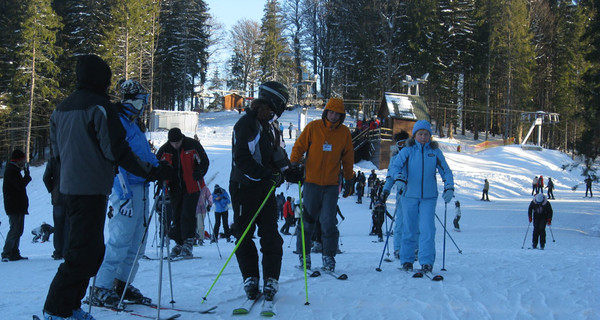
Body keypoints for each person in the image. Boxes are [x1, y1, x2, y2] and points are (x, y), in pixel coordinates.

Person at [43, 55, 170, 320]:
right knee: (85, 252)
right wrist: (155, 171)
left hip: (81, 187)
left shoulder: (63, 108)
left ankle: (73, 304)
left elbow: (55, 155)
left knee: (90, 250)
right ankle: (58, 308)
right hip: (99, 188)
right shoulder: (101, 108)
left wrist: (55, 181)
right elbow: (117, 151)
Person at [90, 79, 159, 307]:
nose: (144, 105)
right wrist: (123, 195)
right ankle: (101, 286)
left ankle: (121, 282)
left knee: (138, 241)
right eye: (141, 100)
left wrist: (159, 167)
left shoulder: (135, 124)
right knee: (120, 239)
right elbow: (118, 160)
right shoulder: (118, 122)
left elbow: (144, 156)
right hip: (126, 190)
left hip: (142, 189)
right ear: (131, 100)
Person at [229, 81, 292, 302]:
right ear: (275, 101)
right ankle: (251, 277)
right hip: (244, 188)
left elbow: (277, 155)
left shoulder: (270, 125)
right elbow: (242, 160)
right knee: (244, 234)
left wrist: (290, 172)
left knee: (271, 235)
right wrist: (267, 174)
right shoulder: (248, 124)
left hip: (265, 189)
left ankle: (271, 278)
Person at [291, 97, 354, 273]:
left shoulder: (344, 133)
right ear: (326, 112)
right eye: (331, 112)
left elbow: (348, 159)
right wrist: (293, 164)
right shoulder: (313, 127)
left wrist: (349, 179)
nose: (333, 116)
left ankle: (329, 257)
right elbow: (299, 146)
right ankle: (304, 255)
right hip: (311, 183)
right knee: (308, 220)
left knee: (328, 222)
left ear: (341, 116)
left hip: (331, 185)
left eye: (337, 114)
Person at [382, 120, 454, 274]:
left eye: (426, 134)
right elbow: (394, 167)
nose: (423, 137)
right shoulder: (407, 151)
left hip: (429, 197)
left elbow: (446, 171)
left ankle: (426, 261)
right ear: (415, 135)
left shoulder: (435, 152)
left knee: (428, 229)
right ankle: (407, 259)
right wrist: (399, 178)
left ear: (430, 136)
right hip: (409, 196)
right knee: (409, 228)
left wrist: (449, 186)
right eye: (420, 134)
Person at [157, 127, 209, 259]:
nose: (175, 145)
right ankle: (179, 242)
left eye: (178, 142)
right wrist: (160, 178)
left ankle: (188, 241)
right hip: (174, 187)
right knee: (177, 214)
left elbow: (204, 161)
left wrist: (200, 171)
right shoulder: (165, 150)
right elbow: (156, 166)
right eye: (173, 143)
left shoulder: (192, 145)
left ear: (182, 138)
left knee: (188, 213)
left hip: (192, 186)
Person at [382, 131, 409, 260]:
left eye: (405, 143)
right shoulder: (395, 157)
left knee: (416, 222)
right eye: (400, 143)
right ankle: (398, 248)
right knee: (400, 222)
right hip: (402, 194)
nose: (402, 146)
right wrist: (385, 191)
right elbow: (390, 176)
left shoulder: (413, 155)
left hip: (416, 193)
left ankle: (414, 248)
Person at [2, 149, 31, 262]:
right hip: (14, 206)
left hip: (16, 205)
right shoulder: (12, 171)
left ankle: (14, 252)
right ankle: (7, 252)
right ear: (18, 160)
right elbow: (19, 186)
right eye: (22, 160)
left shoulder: (13, 170)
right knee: (15, 230)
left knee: (18, 230)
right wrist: (27, 176)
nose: (23, 162)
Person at [43, 155, 69, 260]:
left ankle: (58, 251)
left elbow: (46, 178)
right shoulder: (70, 156)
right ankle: (66, 251)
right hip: (70, 196)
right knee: (68, 225)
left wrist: (52, 189)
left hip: (57, 197)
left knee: (58, 226)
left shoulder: (53, 160)